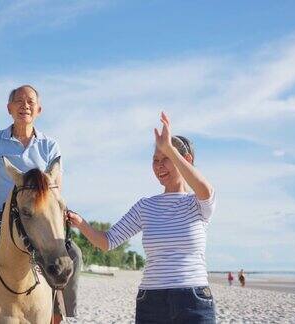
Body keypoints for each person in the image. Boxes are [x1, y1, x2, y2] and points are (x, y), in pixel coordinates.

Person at [0, 85, 82, 324]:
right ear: (9, 108)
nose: (25, 105)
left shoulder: (50, 146)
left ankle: (58, 314)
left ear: (39, 110)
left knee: (74, 254)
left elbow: (55, 190)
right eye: (19, 101)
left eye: (30, 101)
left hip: (37, 216)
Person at [67, 112, 216, 324]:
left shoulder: (198, 203)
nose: (159, 166)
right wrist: (80, 223)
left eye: (166, 159)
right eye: (155, 160)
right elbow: (108, 241)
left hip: (193, 299)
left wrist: (170, 149)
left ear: (186, 160)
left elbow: (205, 189)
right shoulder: (146, 206)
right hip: (152, 300)